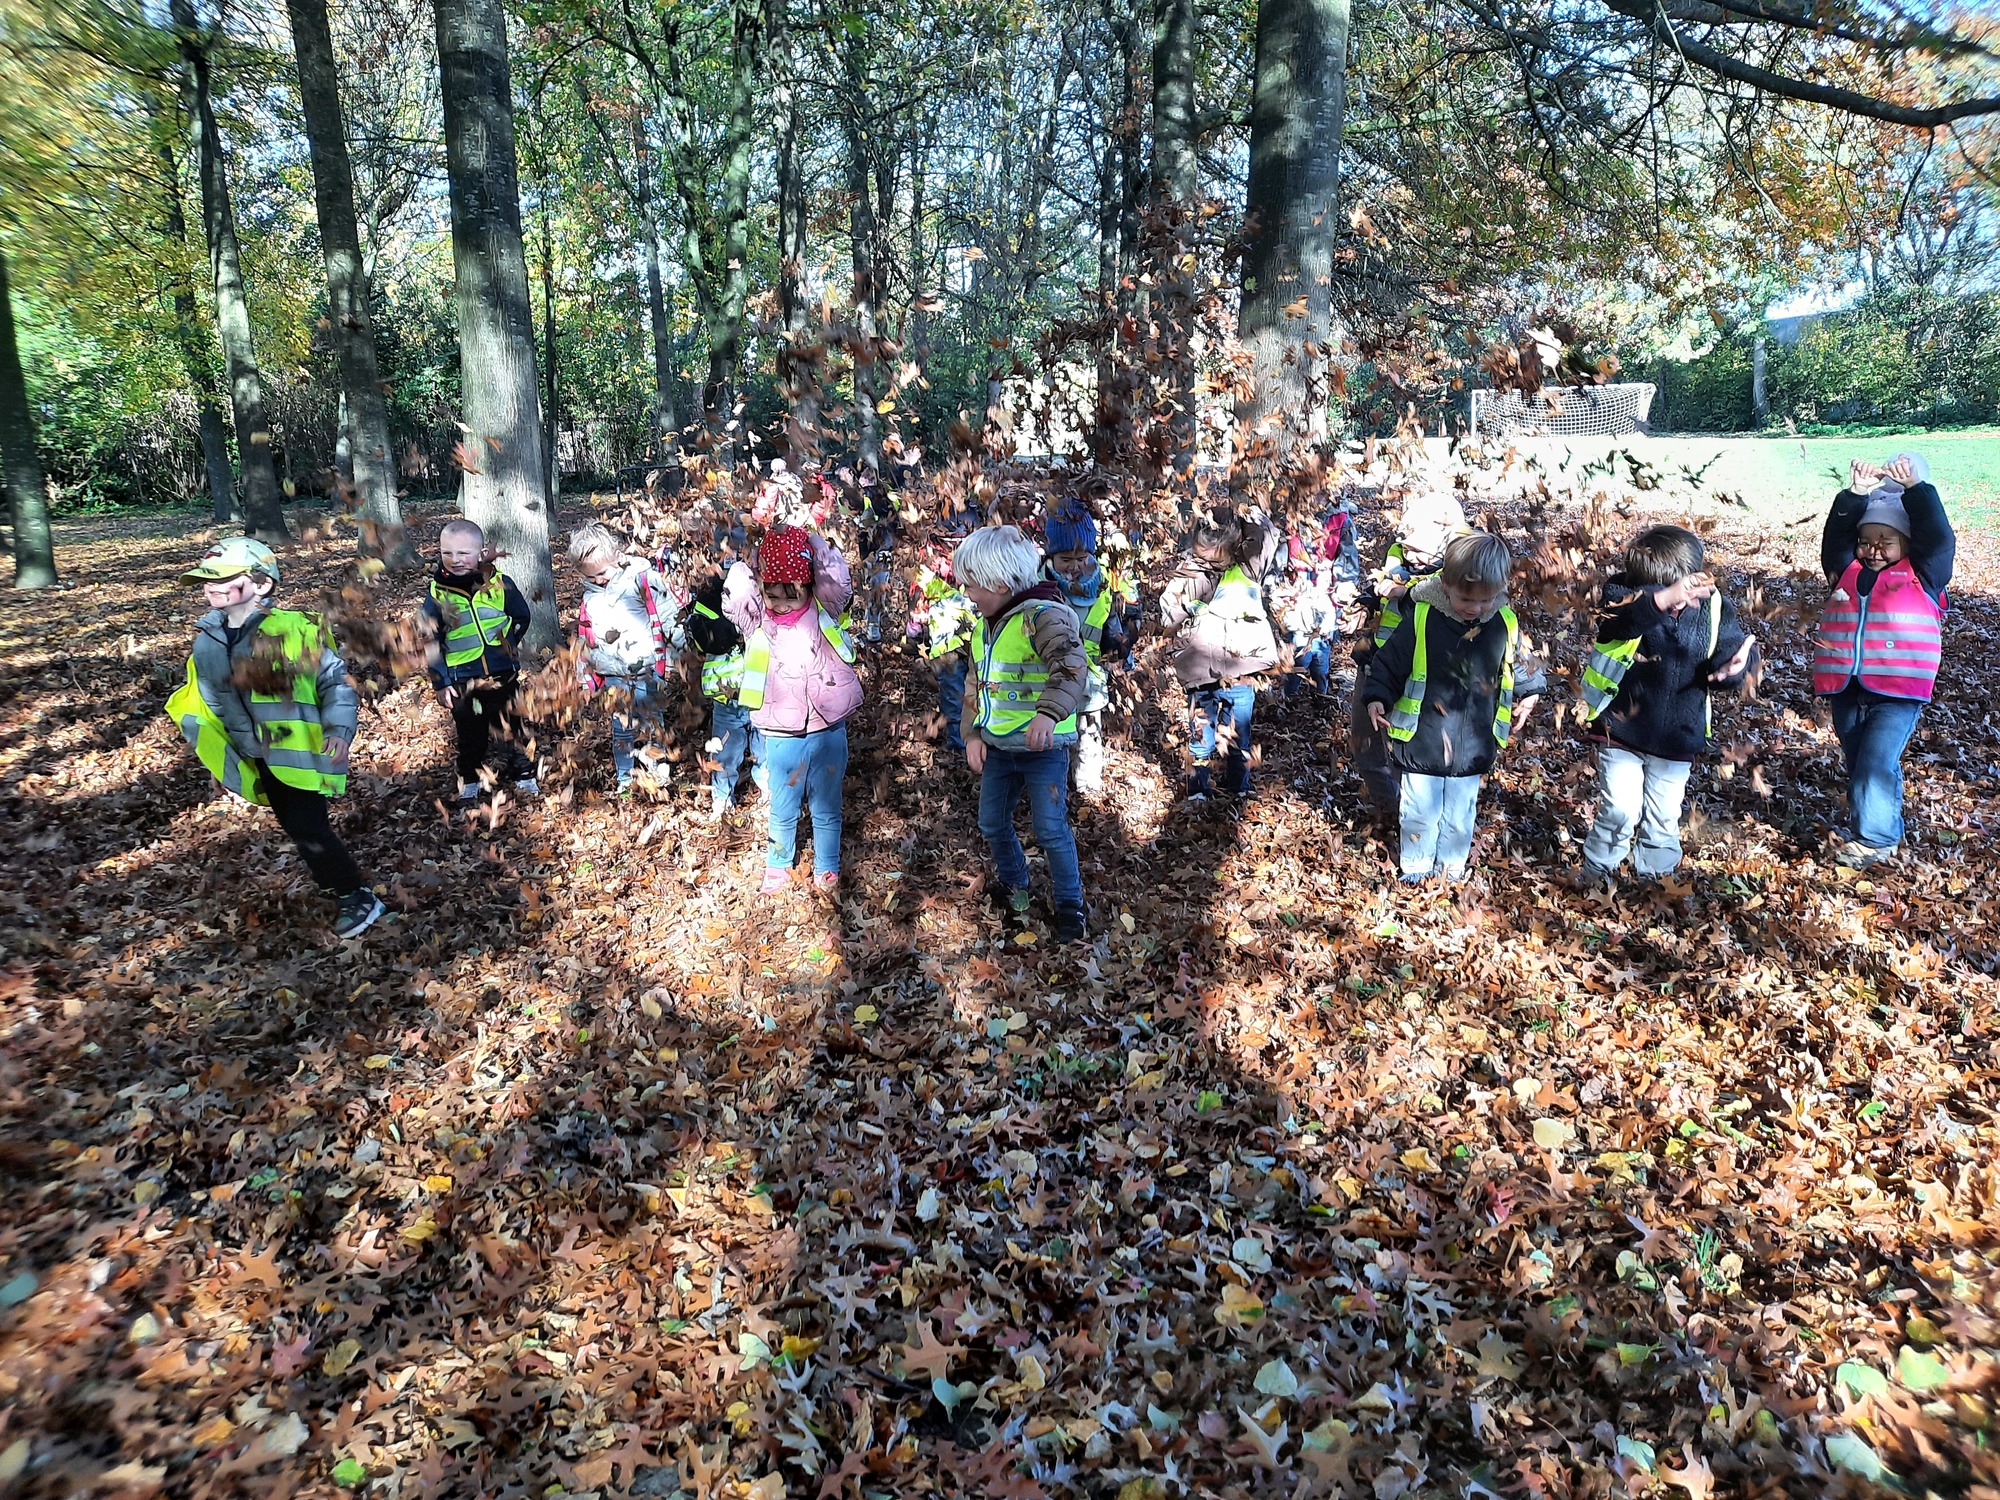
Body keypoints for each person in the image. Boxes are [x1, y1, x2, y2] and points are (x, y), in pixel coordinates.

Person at [167, 537, 384, 939]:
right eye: (206, 580)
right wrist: (221, 761)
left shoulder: (293, 629)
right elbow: (213, 705)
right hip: (256, 754)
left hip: (300, 751)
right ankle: (336, 884)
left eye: (224, 578)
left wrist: (338, 730)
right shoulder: (207, 641)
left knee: (309, 826)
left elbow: (334, 683)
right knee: (295, 826)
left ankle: (356, 896)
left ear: (262, 583)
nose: (211, 586)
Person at [1577, 525, 1759, 884]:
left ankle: (1656, 879)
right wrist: (1660, 600)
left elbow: (1732, 653)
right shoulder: (1621, 594)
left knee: (1662, 816)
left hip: (1678, 733)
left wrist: (1737, 669)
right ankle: (1597, 872)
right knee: (1620, 809)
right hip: (1621, 728)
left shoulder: (1714, 607)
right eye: (1654, 589)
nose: (1678, 598)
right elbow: (1618, 624)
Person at [1362, 531, 1546, 881]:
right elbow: (1390, 662)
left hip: (1474, 742)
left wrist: (1530, 691)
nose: (1475, 608)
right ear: (1445, 584)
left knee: (1460, 815)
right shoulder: (1423, 618)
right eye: (1466, 599)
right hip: (1423, 739)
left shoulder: (1503, 622)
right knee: (1419, 811)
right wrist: (1377, 697)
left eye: (1486, 600)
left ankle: (1451, 871)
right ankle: (1416, 869)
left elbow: (1522, 663)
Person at [1812, 454, 1954, 868]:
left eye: (1884, 540)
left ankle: (1876, 839)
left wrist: (1915, 490)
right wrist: (1855, 494)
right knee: (1859, 762)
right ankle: (1872, 829)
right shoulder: (1846, 571)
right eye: (1866, 539)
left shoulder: (1924, 574)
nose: (1872, 549)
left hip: (1899, 690)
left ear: (1907, 543)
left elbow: (1938, 538)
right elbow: (1835, 540)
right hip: (1847, 685)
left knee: (1876, 762)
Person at [956, 524, 1091, 941]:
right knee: (992, 822)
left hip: (1042, 750)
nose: (967, 594)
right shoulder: (985, 627)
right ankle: (1017, 886)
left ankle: (1070, 905)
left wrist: (1048, 714)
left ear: (999, 584)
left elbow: (1071, 666)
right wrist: (971, 734)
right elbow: (976, 684)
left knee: (1050, 827)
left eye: (972, 585)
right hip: (999, 748)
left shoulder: (1043, 617)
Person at [722, 524, 862, 894]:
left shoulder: (822, 608)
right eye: (773, 596)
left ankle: (827, 866)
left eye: (792, 596)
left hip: (827, 724)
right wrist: (753, 562)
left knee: (826, 803)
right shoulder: (758, 620)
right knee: (783, 802)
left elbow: (838, 582)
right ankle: (778, 862)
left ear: (808, 586)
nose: (782, 605)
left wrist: (816, 545)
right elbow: (736, 599)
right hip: (781, 729)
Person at [1349, 488, 1468, 822]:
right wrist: (1367, 603)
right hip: (1375, 666)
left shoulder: (1458, 574)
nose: (1410, 556)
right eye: (1407, 548)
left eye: (1419, 550)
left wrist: (1407, 593)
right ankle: (1389, 808)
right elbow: (1382, 589)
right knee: (1365, 745)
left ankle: (1413, 818)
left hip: (1415, 679)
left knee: (1404, 756)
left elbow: (1448, 603)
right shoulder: (1398, 557)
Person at [1161, 508, 1281, 801]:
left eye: (1217, 557)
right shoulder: (1190, 571)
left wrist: (1250, 515)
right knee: (1201, 736)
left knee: (1239, 734)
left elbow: (1267, 539)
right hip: (1201, 672)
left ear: (1233, 548)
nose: (1210, 562)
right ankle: (1197, 791)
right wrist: (1184, 610)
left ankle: (1239, 787)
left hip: (1241, 671)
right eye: (1203, 555)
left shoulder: (1247, 568)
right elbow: (1168, 610)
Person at [421, 518, 538, 801]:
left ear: (481, 553)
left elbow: (521, 616)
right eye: (447, 553)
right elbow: (430, 641)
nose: (455, 559)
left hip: (502, 674)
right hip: (463, 680)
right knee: (470, 735)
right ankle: (470, 778)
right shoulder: (437, 595)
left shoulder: (499, 584)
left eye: (463, 553)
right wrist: (441, 682)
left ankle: (523, 773)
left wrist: (509, 645)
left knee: (513, 725)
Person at [569, 523, 684, 795]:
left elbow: (668, 617)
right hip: (614, 675)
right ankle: (625, 776)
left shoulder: (641, 580)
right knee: (621, 727)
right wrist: (585, 674)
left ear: (618, 558)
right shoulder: (590, 597)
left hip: (647, 668)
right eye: (590, 576)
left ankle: (656, 769)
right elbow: (585, 637)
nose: (598, 580)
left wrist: (676, 656)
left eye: (602, 573)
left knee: (651, 721)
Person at [1042, 497, 1133, 794]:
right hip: (1052, 681)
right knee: (1056, 739)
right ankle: (1054, 788)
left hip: (1091, 681)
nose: (1075, 567)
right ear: (1051, 557)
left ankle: (1087, 788)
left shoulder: (1107, 585)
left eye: (1082, 558)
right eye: (1066, 559)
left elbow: (1118, 628)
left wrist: (1121, 644)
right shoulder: (1040, 588)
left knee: (1089, 737)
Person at [687, 569, 764, 819]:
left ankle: (769, 793)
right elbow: (708, 639)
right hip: (727, 699)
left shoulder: (763, 595)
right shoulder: (708, 601)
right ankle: (722, 798)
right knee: (726, 752)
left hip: (761, 695)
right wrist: (736, 624)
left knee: (765, 749)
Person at [909, 515, 980, 755]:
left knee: (973, 691)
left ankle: (973, 739)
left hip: (973, 641)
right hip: (947, 645)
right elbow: (917, 599)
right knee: (954, 694)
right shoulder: (927, 569)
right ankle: (958, 745)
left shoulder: (973, 565)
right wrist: (914, 630)